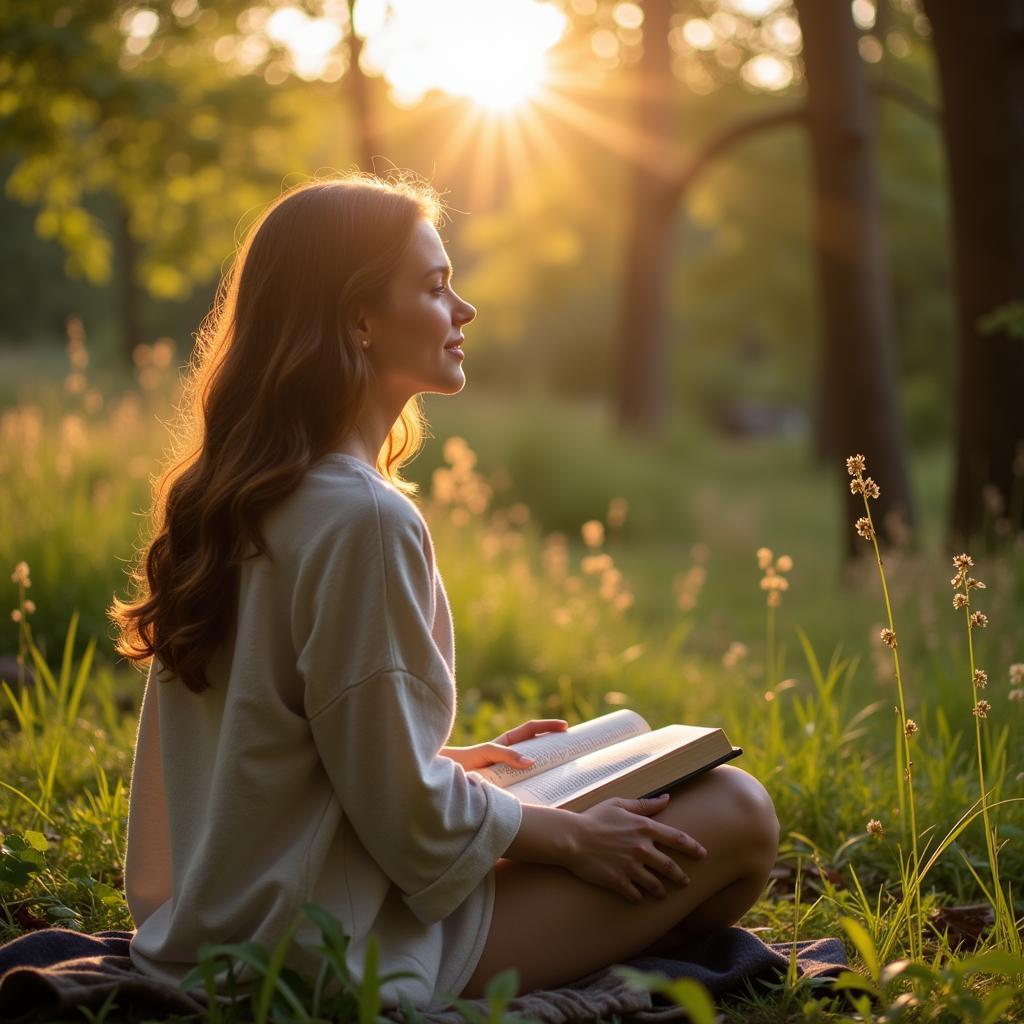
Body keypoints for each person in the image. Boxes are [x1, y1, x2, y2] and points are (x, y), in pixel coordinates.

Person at [108, 173, 779, 1012]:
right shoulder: (362, 517)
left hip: (223, 928)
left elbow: (270, 740)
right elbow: (405, 821)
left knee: (640, 795)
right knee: (736, 813)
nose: (464, 311)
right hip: (326, 954)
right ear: (356, 318)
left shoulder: (233, 493)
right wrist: (569, 837)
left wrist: (452, 762)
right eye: (433, 288)